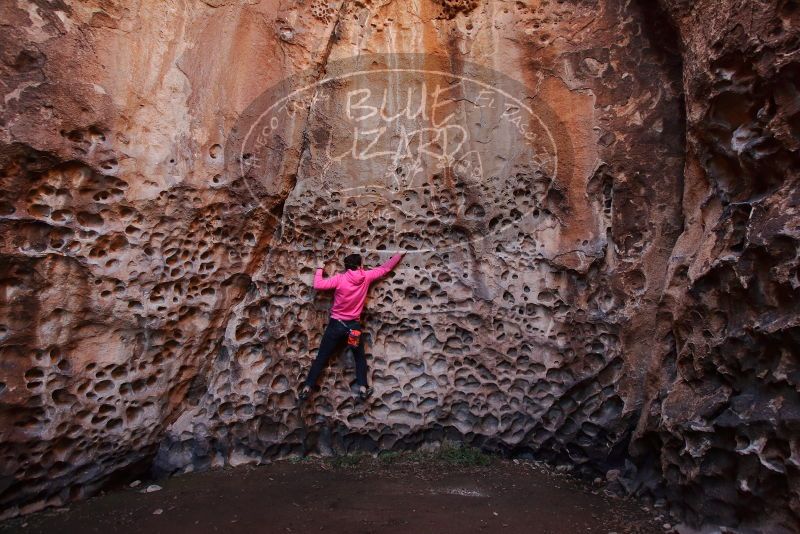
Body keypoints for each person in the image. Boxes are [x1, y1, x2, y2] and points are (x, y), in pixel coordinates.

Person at [299, 251, 405, 401]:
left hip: (336, 325)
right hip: (353, 328)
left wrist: (319, 269)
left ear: (347, 266)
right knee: (359, 358)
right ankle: (363, 388)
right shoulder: (366, 277)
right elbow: (384, 269)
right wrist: (398, 256)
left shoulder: (340, 279)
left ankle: (307, 387)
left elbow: (318, 284)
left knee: (321, 357)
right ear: (360, 265)